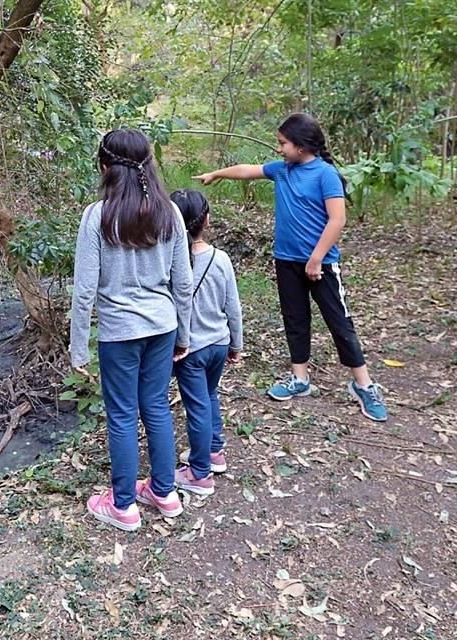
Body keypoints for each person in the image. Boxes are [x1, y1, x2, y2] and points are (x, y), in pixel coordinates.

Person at [193, 112, 387, 421]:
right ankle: (299, 378)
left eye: (283, 143)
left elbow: (337, 220)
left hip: (321, 265)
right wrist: (216, 174)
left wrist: (316, 258)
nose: (279, 148)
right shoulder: (282, 170)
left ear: (301, 145)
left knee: (339, 322)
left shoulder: (325, 174)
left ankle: (363, 384)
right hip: (286, 261)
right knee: (295, 319)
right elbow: (247, 170)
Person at [70, 128, 193, 532]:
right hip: (162, 326)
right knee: (156, 406)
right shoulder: (170, 212)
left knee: (122, 415)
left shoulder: (97, 215)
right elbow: (183, 283)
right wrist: (184, 335)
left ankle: (123, 505)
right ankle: (165, 492)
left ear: (104, 166)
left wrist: (78, 349)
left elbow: (85, 289)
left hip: (120, 332)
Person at [169, 189, 243, 495]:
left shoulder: (172, 261)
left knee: (196, 406)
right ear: (207, 220)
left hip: (191, 350)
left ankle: (199, 473)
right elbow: (233, 307)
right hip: (219, 344)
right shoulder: (220, 259)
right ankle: (214, 451)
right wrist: (236, 345)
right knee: (210, 396)